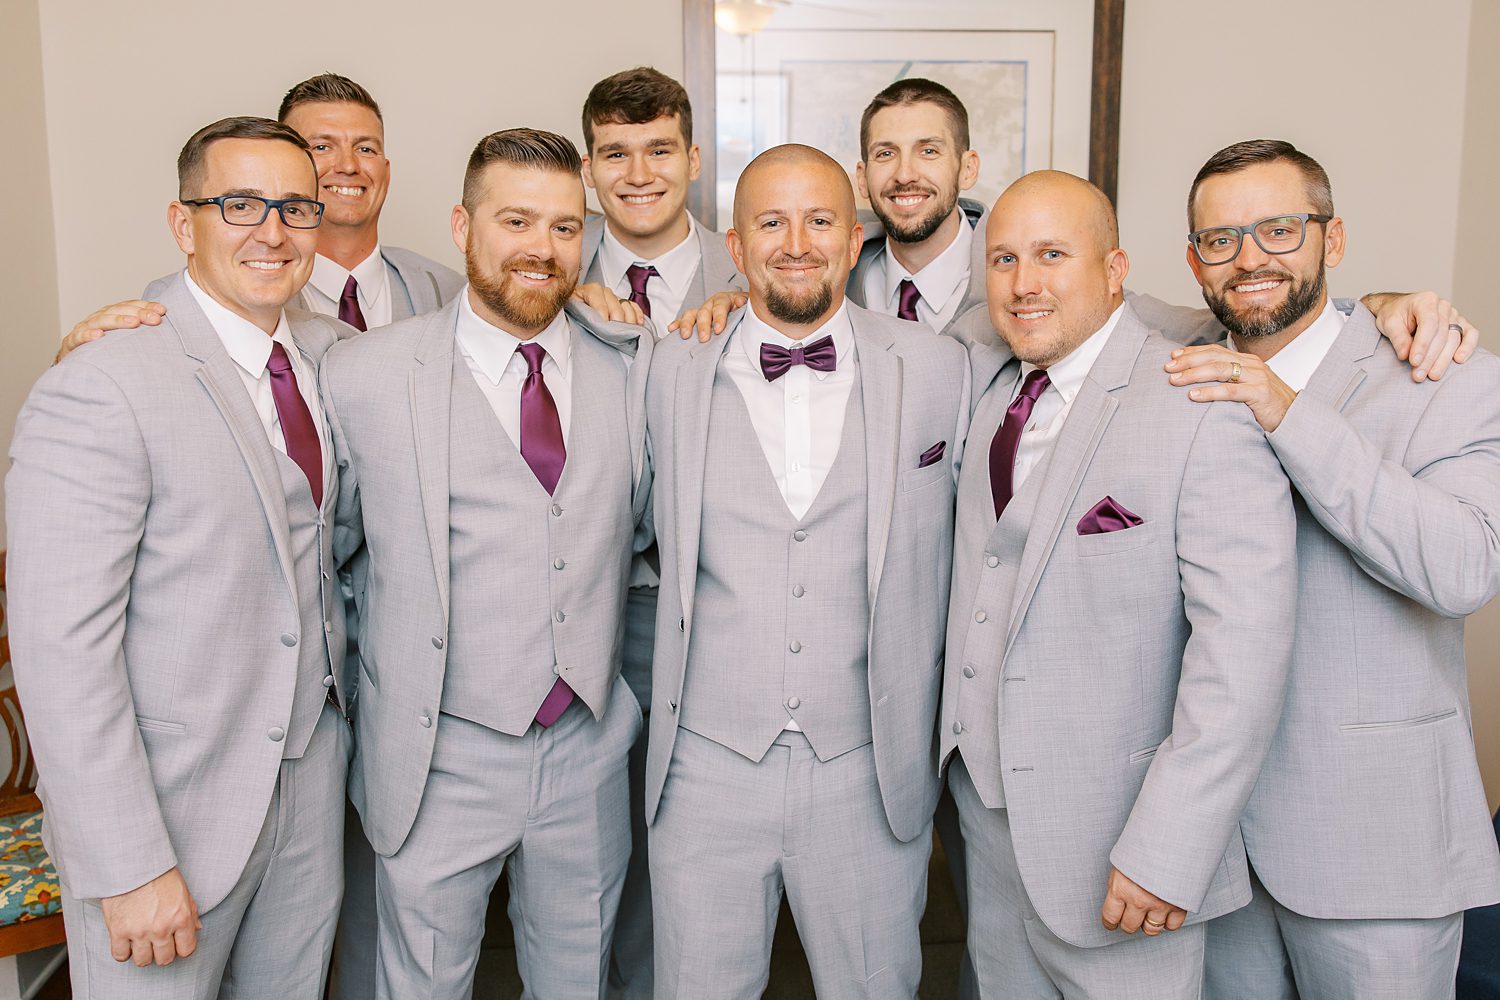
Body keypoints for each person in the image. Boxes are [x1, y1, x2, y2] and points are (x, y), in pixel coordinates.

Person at [6, 116, 352, 998]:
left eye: (294, 208)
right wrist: (126, 864)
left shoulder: (331, 356)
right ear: (181, 221)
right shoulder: (103, 381)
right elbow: (60, 652)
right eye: (239, 204)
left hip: (310, 796)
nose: (271, 232)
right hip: (171, 816)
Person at [943, 169, 1298, 998]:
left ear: (1115, 271)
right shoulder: (977, 376)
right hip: (988, 822)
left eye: (1052, 255)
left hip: (1126, 849)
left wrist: (1169, 851)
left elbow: (1241, 661)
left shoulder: (1202, 399)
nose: (1023, 284)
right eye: (1002, 259)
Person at [319, 128, 652, 1000]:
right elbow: (327, 561)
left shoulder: (636, 373)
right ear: (463, 226)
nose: (543, 248)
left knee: (578, 982)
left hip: (586, 748)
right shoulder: (362, 375)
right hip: (436, 753)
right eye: (516, 221)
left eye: (566, 227)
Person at [1165, 138, 1500, 1000]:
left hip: (1380, 847)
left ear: (1333, 239)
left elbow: (1463, 568)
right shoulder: (1173, 364)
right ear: (1193, 259)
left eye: (1279, 229)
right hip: (1216, 850)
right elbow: (1045, 290)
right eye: (1220, 240)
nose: (1249, 260)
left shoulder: (1448, 375)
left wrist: (1290, 414)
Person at [643, 143, 970, 998]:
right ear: (735, 245)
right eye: (771, 222)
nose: (797, 242)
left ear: (856, 236)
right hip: (704, 766)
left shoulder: (941, 368)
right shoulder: (662, 368)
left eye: (820, 219)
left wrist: (1365, 312)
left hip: (868, 763)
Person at [576, 66, 748, 997]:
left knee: (688, 849)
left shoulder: (761, 271)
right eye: (614, 154)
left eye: (657, 151)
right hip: (589, 614)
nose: (637, 173)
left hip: (719, 616)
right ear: (591, 169)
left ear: (691, 157)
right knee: (588, 859)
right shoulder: (548, 278)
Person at [59, 74, 463, 356]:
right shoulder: (177, 306)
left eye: (366, 148)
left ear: (386, 170)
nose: (348, 166)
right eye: (320, 147)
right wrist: (79, 358)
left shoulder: (449, 292)